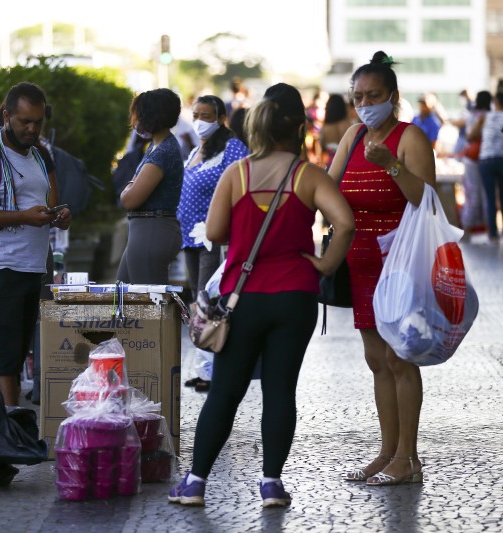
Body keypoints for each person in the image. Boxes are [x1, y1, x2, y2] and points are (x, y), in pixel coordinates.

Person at [168, 83, 354, 507]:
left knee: (225, 391)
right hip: (296, 297)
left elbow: (214, 233)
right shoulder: (309, 175)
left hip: (243, 297)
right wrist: (324, 265)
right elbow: (344, 223)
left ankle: (195, 483)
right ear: (299, 127)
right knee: (280, 389)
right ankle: (271, 484)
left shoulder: (239, 174)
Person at [331, 51, 436, 485]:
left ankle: (408, 459)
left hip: (401, 263)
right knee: (376, 359)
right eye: (358, 96)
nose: (364, 103)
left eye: (373, 95)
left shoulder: (410, 137)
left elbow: (426, 201)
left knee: (399, 359)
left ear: (393, 97)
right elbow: (328, 185)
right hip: (361, 262)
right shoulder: (353, 135)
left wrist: (389, 166)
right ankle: (387, 451)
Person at [0, 82, 70, 407]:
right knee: (3, 355)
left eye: (38, 122)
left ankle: (10, 420)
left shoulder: (37, 154)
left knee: (19, 351)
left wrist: (58, 214)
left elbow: (46, 201)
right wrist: (22, 216)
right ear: (7, 116)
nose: (32, 128)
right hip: (0, 268)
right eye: (24, 121)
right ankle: (9, 420)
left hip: (30, 267)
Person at [177, 95, 249, 393]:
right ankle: (202, 365)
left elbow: (243, 186)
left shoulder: (233, 148)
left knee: (210, 299)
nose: (199, 121)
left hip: (213, 237)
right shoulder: (198, 148)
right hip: (189, 237)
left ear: (221, 118)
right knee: (198, 299)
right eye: (195, 115)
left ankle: (213, 367)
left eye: (206, 116)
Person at [117, 88, 184, 284]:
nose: (134, 121)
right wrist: (132, 184)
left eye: (136, 115)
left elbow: (130, 199)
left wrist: (129, 187)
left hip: (151, 230)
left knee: (147, 307)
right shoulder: (157, 146)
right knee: (125, 298)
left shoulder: (162, 152)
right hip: (145, 230)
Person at [469, 91, 503, 243]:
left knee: (490, 197)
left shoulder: (485, 116)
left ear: (495, 102)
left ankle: (493, 234)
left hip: (486, 160)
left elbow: (470, 136)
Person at [458, 90, 491, 239]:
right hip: (486, 158)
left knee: (472, 195)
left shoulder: (473, 115)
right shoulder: (490, 115)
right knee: (487, 196)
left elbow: (469, 136)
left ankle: (467, 232)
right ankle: (491, 232)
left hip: (472, 158)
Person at [320, 94, 355, 169]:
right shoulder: (350, 126)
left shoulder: (324, 128)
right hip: (348, 163)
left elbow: (322, 148)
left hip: (331, 165)